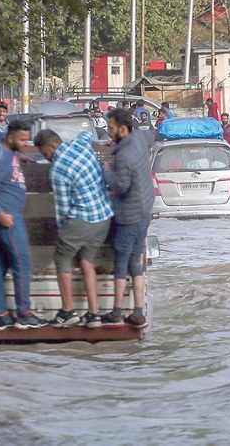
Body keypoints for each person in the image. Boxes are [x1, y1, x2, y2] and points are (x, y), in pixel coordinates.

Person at [34, 129, 115, 329]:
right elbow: (87, 134)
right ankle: (94, 314)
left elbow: (62, 210)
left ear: (52, 147)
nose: (46, 158)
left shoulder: (58, 170)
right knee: (86, 260)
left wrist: (64, 236)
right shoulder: (80, 144)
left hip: (82, 219)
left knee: (62, 258)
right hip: (104, 216)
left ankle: (68, 311)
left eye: (45, 154)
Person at [0, 120, 48, 330]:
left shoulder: (2, 145)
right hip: (6, 218)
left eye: (27, 139)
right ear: (10, 138)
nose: (26, 143)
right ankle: (24, 313)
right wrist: (1, 214)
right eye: (22, 140)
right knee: (23, 265)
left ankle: (1, 315)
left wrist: (17, 157)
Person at [101, 108, 154, 328]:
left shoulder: (123, 156)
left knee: (121, 262)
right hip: (145, 209)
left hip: (129, 214)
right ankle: (138, 312)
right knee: (135, 261)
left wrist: (106, 171)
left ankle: (116, 312)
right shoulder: (139, 138)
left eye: (111, 129)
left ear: (123, 129)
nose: (108, 132)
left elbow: (121, 186)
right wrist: (115, 147)